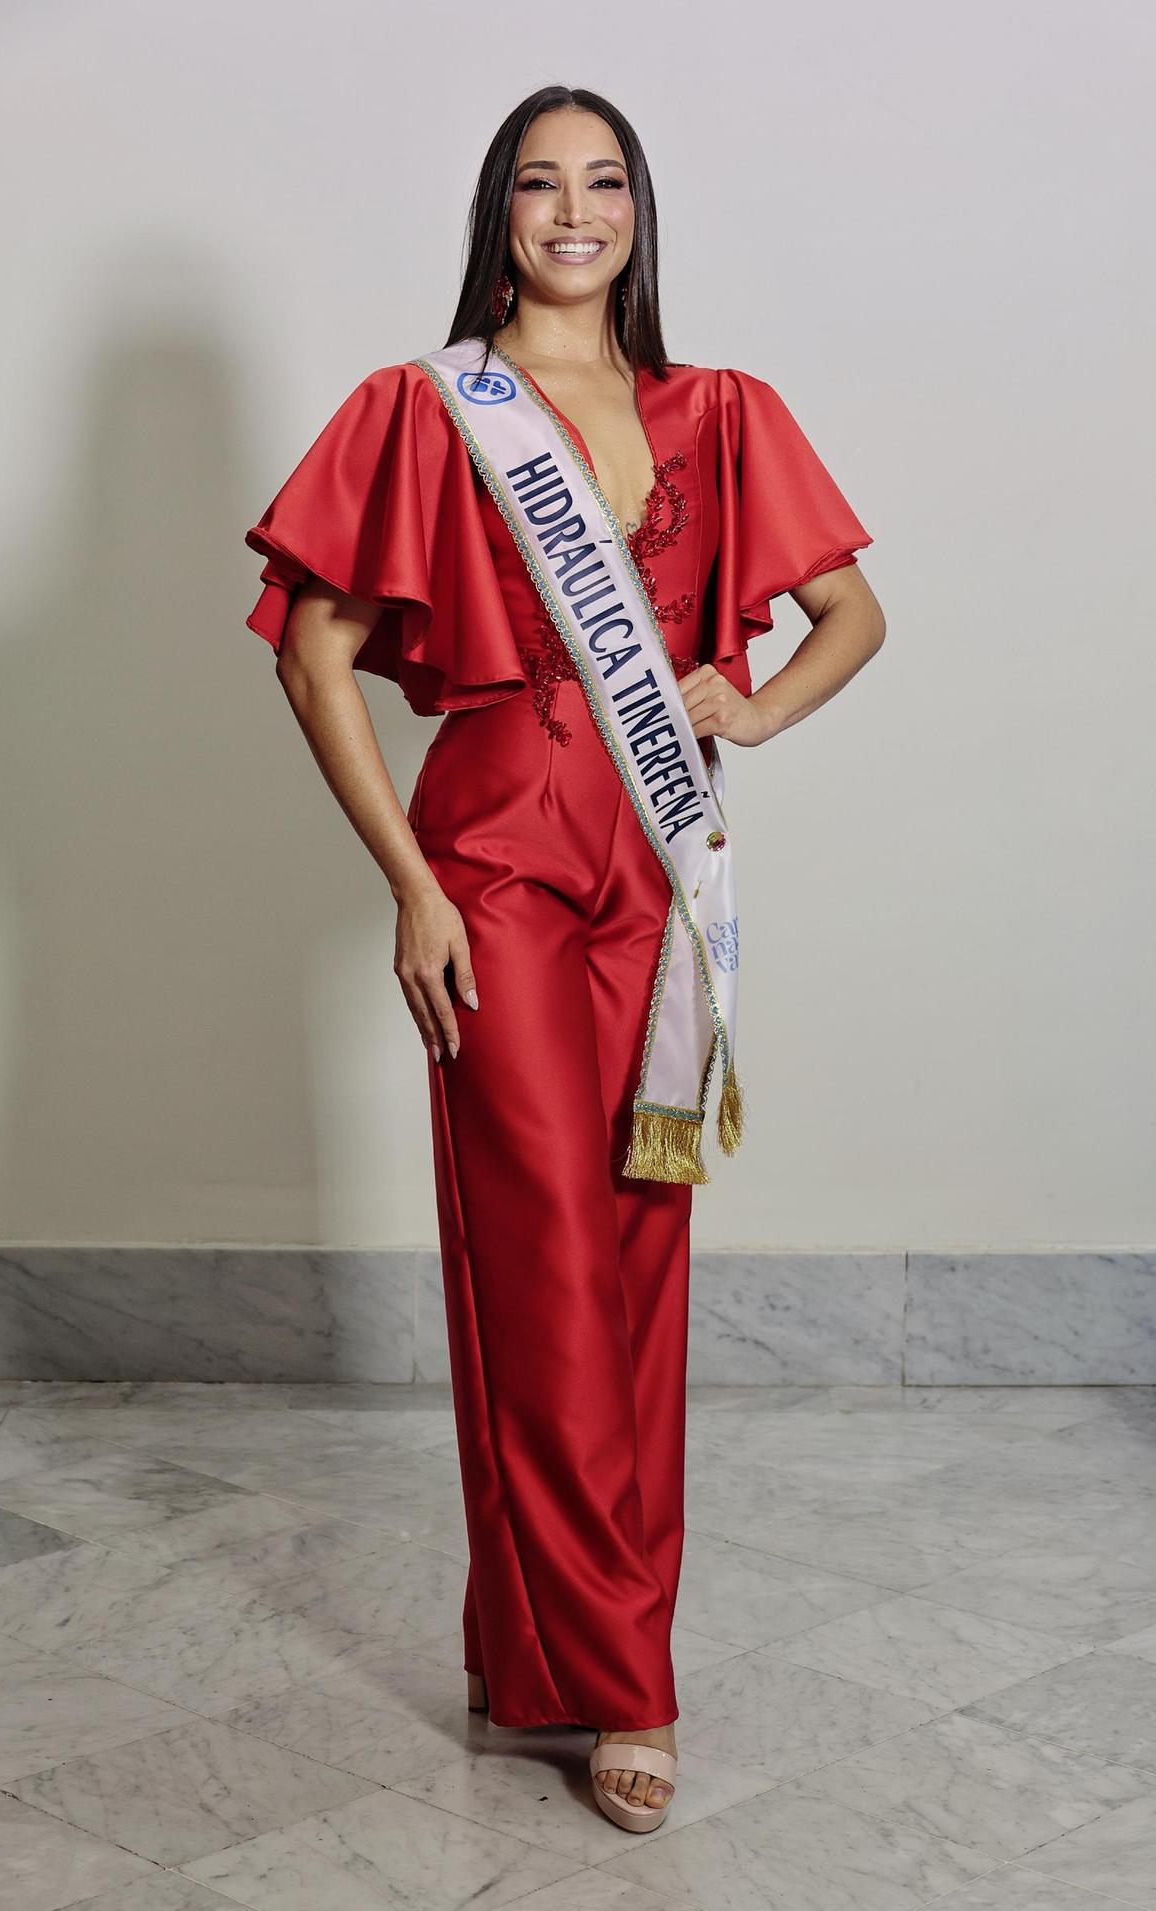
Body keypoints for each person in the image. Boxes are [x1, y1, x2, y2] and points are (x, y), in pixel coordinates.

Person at [243, 84, 885, 1833]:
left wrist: (745, 699)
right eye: (542, 183)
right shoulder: (427, 406)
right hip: (500, 866)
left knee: (639, 1251)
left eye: (604, 183)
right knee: (531, 1250)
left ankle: (531, 1650)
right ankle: (629, 1682)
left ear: (638, 212)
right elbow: (315, 654)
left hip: (661, 874)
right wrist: (411, 887)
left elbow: (853, 615)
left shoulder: (720, 410)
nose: (574, 211)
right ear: (499, 212)